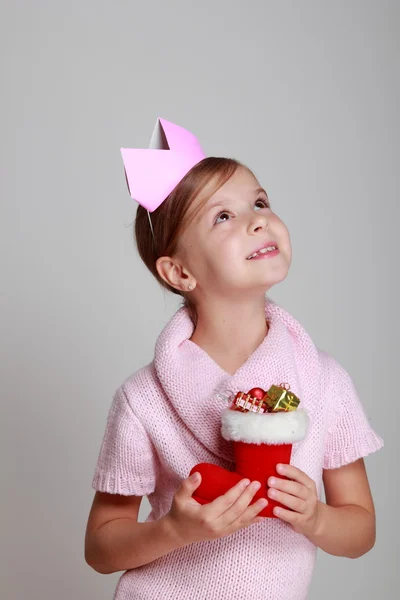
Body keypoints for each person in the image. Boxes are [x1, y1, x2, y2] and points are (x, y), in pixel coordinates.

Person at [84, 118, 384, 600]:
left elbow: (361, 532)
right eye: (223, 216)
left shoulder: (323, 381)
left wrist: (317, 517)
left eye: (260, 202)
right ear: (179, 271)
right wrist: (174, 531)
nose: (258, 219)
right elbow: (100, 546)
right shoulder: (143, 400)